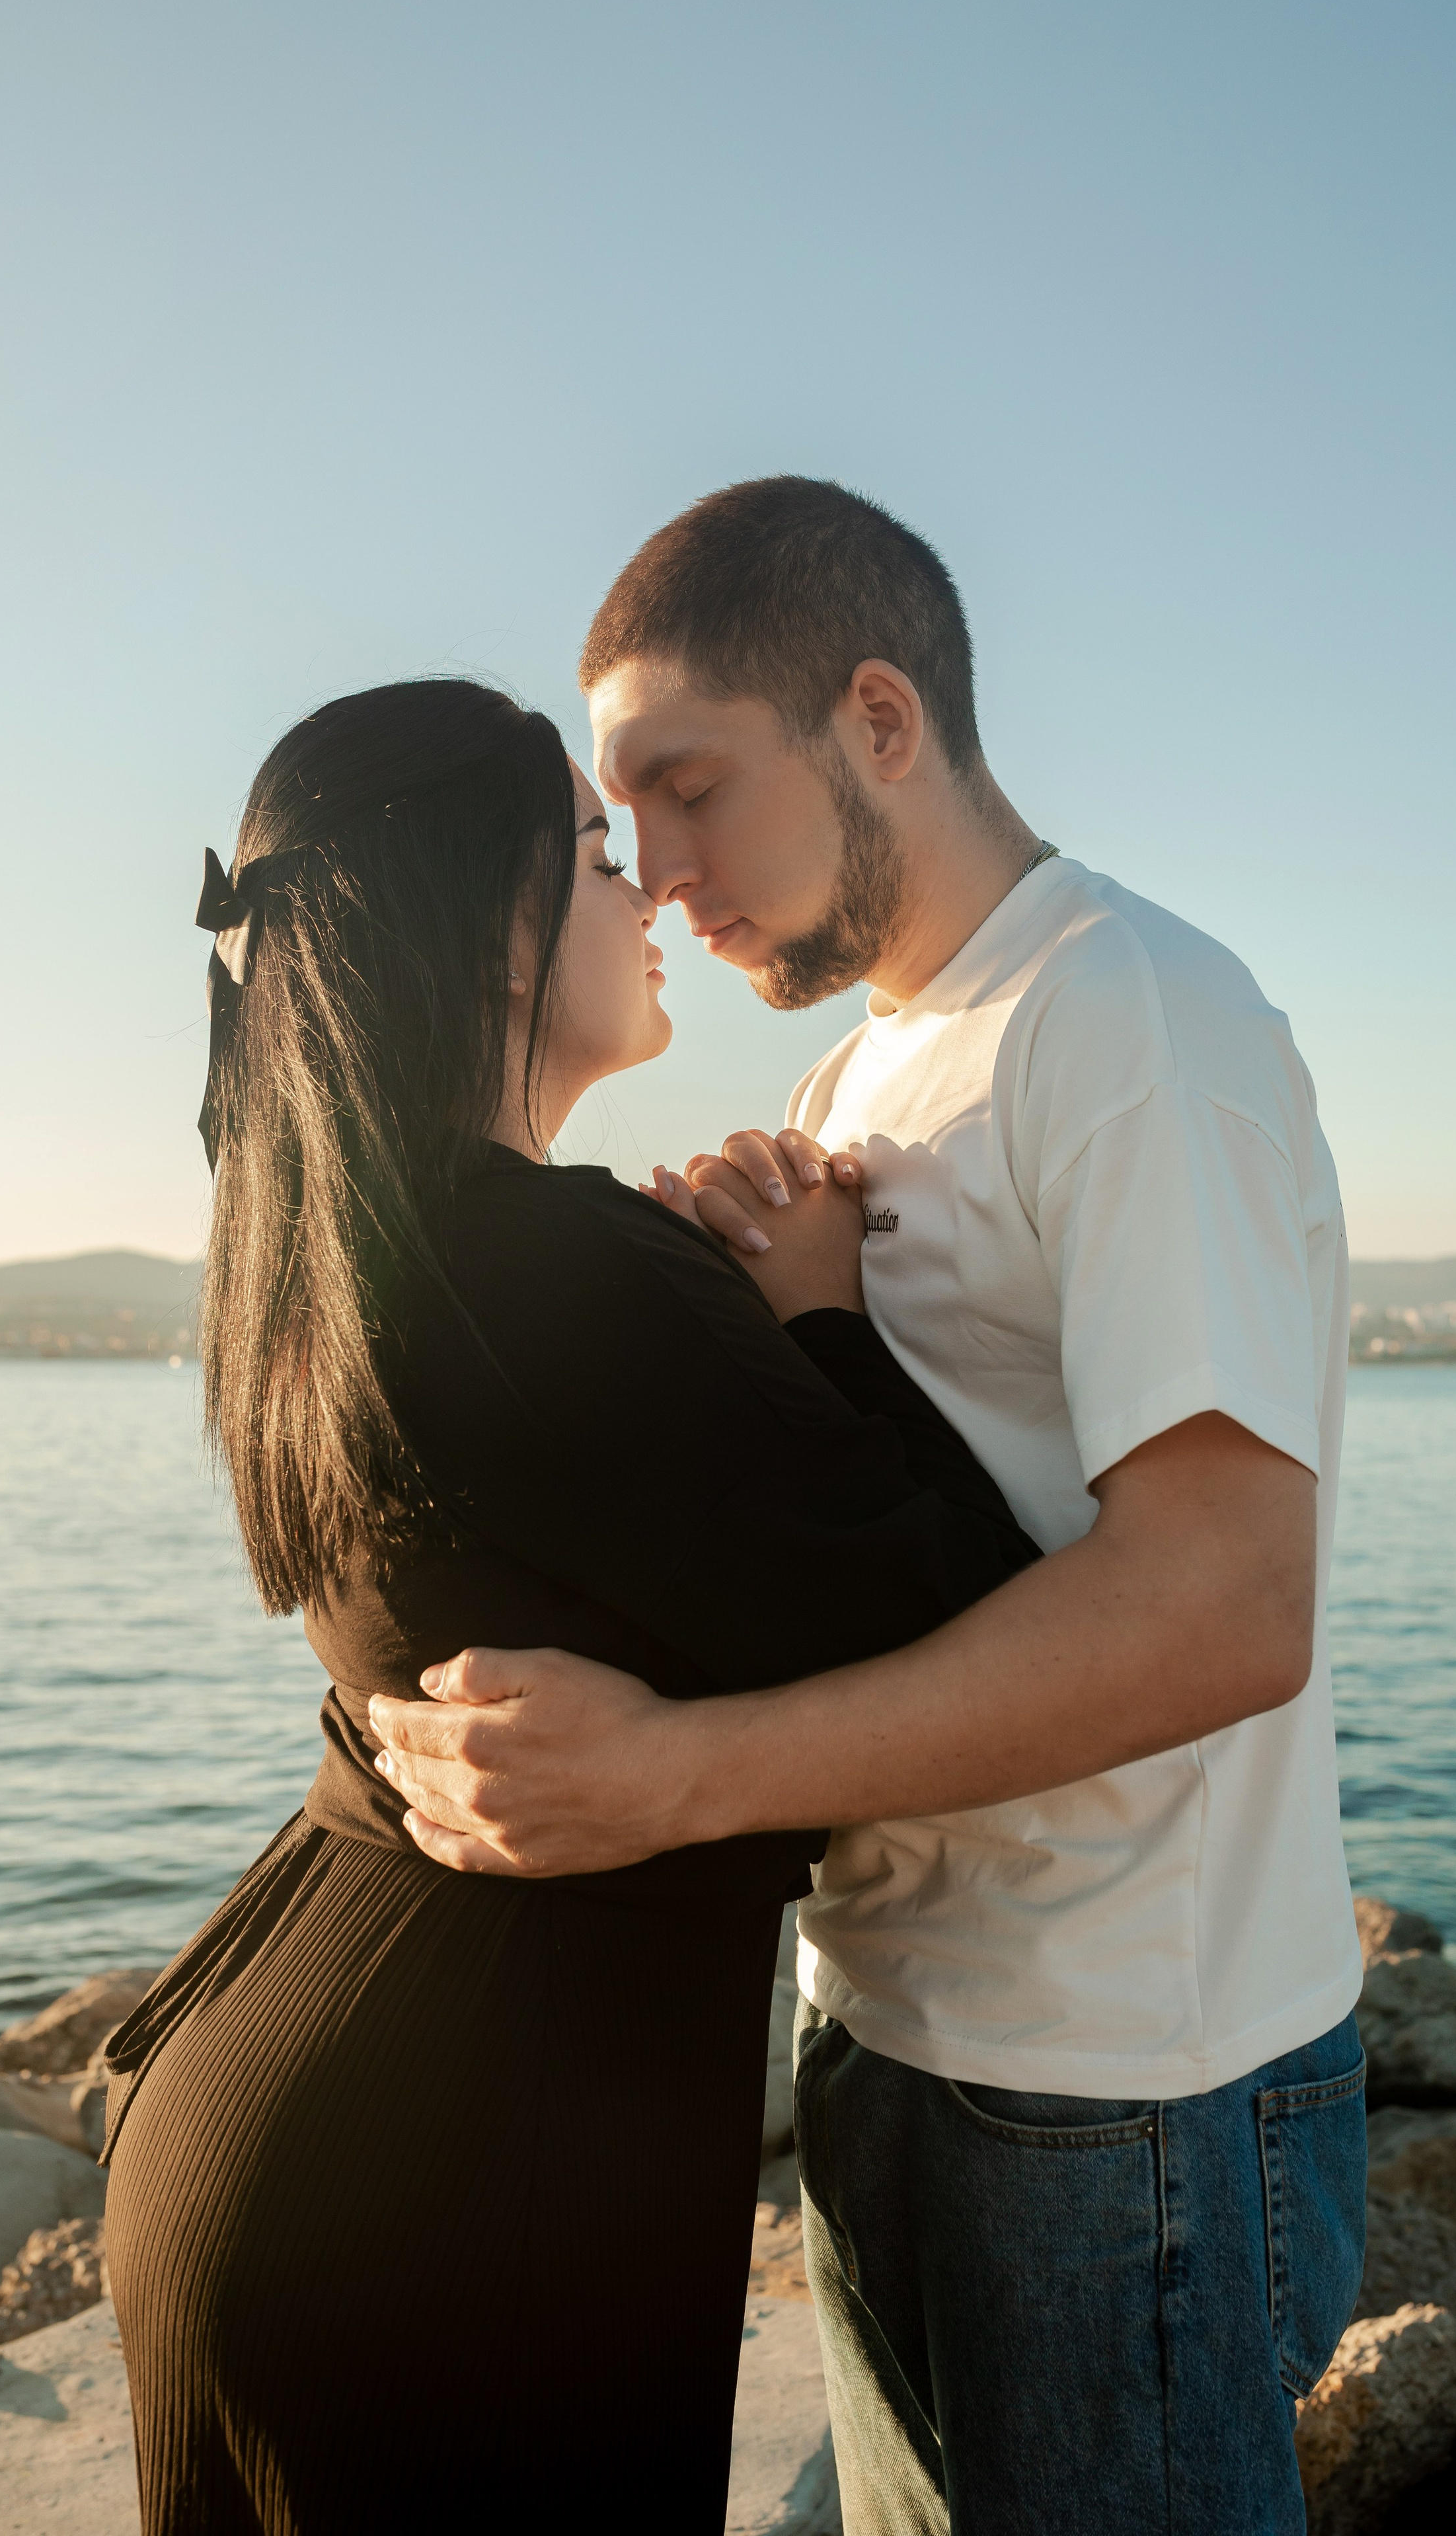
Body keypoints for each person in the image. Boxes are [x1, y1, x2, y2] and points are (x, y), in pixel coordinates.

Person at [370, 482, 1369, 2536]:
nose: (656, 875)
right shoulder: (858, 1083)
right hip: (902, 2028)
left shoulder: (1136, 1022)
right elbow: (869, 1504)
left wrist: (670, 1781)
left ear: (883, 721)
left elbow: (1220, 1611)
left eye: (693, 789)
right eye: (623, 819)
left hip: (1124, 2092)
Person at [98, 676, 1039, 2535]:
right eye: (605, 856)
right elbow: (984, 1629)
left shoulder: (332, 1252)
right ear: (500, 923)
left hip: (290, 2106)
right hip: (463, 2195)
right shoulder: (557, 1269)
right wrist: (823, 1313)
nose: (657, 895)